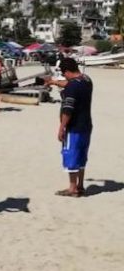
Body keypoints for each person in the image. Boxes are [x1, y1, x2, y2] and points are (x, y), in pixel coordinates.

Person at [45, 57, 93, 197]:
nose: (63, 75)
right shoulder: (86, 80)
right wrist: (54, 82)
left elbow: (68, 110)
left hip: (74, 127)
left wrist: (62, 127)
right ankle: (80, 185)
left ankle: (73, 188)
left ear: (67, 71)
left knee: (71, 155)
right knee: (82, 155)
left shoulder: (72, 87)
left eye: (63, 73)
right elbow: (70, 83)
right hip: (87, 125)